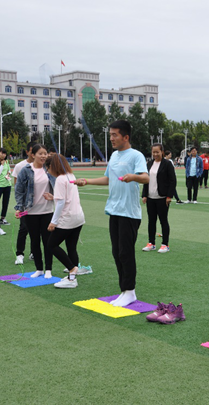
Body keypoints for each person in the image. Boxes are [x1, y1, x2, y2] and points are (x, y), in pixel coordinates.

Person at [75, 120, 148, 307]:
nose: (111, 138)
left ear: (126, 137)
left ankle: (130, 291)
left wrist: (133, 177)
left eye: (115, 135)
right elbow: (108, 179)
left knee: (126, 253)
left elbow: (146, 177)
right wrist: (87, 181)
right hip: (114, 210)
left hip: (129, 213)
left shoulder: (135, 155)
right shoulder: (114, 155)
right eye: (110, 135)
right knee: (116, 252)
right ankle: (124, 290)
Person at [44, 154, 86, 289]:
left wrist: (53, 222)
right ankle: (72, 278)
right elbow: (64, 198)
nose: (47, 170)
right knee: (71, 247)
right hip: (78, 217)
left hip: (67, 219)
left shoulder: (60, 179)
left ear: (52, 166)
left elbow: (61, 203)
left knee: (51, 245)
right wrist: (54, 197)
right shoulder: (70, 175)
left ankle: (72, 269)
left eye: (48, 167)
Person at [14, 144, 55, 278]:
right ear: (33, 155)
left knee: (47, 241)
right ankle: (39, 269)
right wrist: (19, 208)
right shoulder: (26, 170)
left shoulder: (50, 170)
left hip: (47, 211)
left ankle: (48, 269)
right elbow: (19, 190)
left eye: (45, 153)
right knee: (34, 240)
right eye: (40, 153)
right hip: (30, 212)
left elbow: (58, 187)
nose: (44, 156)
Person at [142, 144, 176, 253]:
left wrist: (169, 196)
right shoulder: (149, 163)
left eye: (157, 152)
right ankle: (151, 243)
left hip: (162, 197)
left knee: (163, 220)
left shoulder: (167, 164)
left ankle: (165, 244)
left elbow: (172, 181)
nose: (155, 154)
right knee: (151, 221)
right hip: (150, 197)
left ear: (162, 152)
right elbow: (145, 180)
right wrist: (144, 195)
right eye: (153, 152)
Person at [11, 142, 36, 264]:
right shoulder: (20, 166)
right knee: (24, 228)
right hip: (25, 204)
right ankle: (19, 254)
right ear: (27, 152)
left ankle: (34, 252)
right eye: (32, 152)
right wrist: (20, 204)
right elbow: (17, 186)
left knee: (36, 230)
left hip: (38, 204)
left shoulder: (42, 166)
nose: (34, 154)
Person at [0, 148, 13, 225]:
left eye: (4, 153)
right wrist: (2, 165)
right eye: (1, 153)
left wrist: (8, 174)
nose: (3, 155)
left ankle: (3, 218)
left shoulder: (6, 162)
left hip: (7, 184)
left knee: (5, 202)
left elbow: (9, 170)